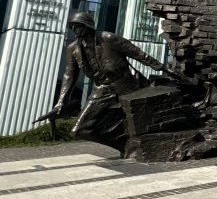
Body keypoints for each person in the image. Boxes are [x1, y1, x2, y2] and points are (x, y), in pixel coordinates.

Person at [53, 11, 183, 146]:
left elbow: (138, 54)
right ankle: (123, 145)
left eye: (77, 26)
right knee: (79, 130)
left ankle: (136, 144)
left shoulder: (108, 38)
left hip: (126, 86)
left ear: (87, 25)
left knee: (138, 121)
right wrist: (61, 101)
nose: (74, 29)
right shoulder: (73, 49)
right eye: (72, 26)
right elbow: (69, 75)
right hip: (101, 89)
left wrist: (163, 68)